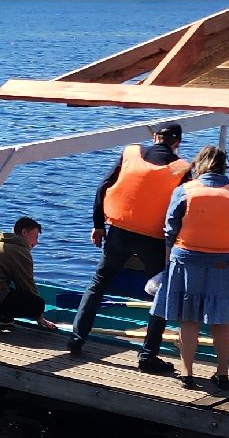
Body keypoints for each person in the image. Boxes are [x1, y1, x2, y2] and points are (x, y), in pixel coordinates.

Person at [68, 122, 193, 371]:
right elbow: (183, 208)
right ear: (177, 142)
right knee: (161, 294)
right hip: (153, 238)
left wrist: (98, 225)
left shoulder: (130, 154)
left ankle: (76, 339)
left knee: (98, 285)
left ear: (155, 137)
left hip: (119, 231)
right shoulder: (182, 168)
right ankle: (147, 356)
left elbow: (102, 187)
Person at [151, 146, 229, 386]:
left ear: (198, 165)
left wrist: (169, 259)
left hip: (187, 260)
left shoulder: (184, 191)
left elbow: (169, 230)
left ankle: (187, 374)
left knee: (189, 319)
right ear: (224, 167)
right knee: (222, 319)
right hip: (226, 263)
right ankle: (223, 374)